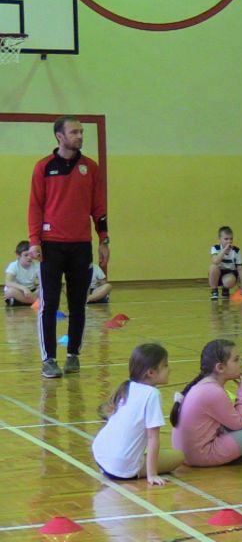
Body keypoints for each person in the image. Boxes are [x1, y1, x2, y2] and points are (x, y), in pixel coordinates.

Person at [29, 116, 109, 378]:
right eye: (74, 132)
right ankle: (49, 360)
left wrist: (104, 239)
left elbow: (99, 207)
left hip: (81, 246)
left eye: (81, 132)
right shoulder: (43, 167)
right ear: (59, 136)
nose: (80, 136)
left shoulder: (91, 168)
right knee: (49, 304)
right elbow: (35, 206)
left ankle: (73, 354)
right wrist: (34, 241)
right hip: (51, 246)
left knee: (78, 304)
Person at [92, 344, 183, 484]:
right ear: (151, 372)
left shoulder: (128, 386)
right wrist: (152, 474)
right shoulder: (152, 394)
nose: (169, 369)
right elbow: (153, 437)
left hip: (100, 456)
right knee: (179, 456)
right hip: (122, 467)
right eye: (165, 365)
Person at [170, 339, 242, 467]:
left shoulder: (203, 385)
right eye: (236, 360)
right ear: (220, 367)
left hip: (184, 455)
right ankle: (234, 457)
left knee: (228, 428)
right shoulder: (213, 391)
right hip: (201, 456)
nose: (241, 363)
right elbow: (238, 424)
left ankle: (236, 455)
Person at [209, 226, 242, 300]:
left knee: (229, 281)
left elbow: (240, 268)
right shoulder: (215, 248)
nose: (229, 241)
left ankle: (225, 289)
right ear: (220, 239)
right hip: (218, 272)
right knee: (213, 267)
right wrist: (224, 250)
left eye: (231, 239)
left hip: (230, 273)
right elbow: (215, 261)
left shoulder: (236, 251)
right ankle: (214, 291)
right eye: (226, 239)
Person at [4, 241, 40, 306]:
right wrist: (24, 288)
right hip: (19, 290)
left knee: (45, 288)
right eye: (26, 255)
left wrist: (40, 286)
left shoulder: (36, 266)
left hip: (31, 291)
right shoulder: (13, 266)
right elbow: (8, 282)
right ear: (18, 256)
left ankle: (26, 301)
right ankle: (35, 301)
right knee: (10, 292)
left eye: (31, 254)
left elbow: (43, 280)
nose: (29, 257)